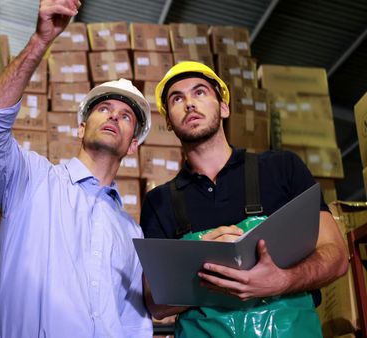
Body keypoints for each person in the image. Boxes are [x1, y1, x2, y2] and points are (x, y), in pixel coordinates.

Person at [0, 0, 154, 336]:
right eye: (104, 109)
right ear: (81, 127)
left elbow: (132, 324)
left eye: (126, 117)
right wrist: (40, 41)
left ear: (133, 144)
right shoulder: (30, 181)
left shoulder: (130, 232)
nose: (114, 116)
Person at [139, 61, 348, 337]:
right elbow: (155, 303)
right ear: (169, 121)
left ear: (224, 107)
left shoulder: (282, 168)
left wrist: (281, 280)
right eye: (177, 99)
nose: (189, 103)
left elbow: (336, 256)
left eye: (200, 92)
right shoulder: (159, 202)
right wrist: (199, 267)